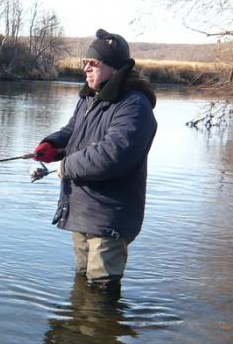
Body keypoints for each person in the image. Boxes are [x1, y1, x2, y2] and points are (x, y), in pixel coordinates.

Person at [33, 29, 157, 290]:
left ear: (115, 68)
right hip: (82, 211)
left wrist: (65, 166)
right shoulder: (90, 98)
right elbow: (73, 132)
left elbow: (113, 154)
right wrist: (53, 145)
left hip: (110, 218)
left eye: (94, 63)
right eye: (85, 63)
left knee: (100, 297)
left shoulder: (134, 105)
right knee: (81, 289)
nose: (86, 69)